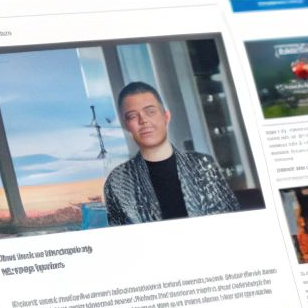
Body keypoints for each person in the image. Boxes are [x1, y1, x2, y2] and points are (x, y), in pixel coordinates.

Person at [103, 81, 242, 225]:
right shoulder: (117, 181)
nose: (143, 120)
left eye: (150, 111)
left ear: (166, 116)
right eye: (132, 116)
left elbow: (232, 221)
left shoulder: (203, 164)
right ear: (126, 126)